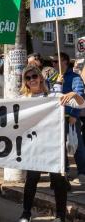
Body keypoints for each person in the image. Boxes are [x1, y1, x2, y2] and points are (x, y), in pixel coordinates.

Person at [18, 65, 68, 222]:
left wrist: (72, 94)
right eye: (28, 78)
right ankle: (26, 213)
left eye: (34, 76)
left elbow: (81, 104)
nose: (32, 80)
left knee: (59, 182)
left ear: (40, 77)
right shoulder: (22, 100)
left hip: (53, 147)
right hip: (34, 148)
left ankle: (61, 216)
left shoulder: (54, 96)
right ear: (25, 82)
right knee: (31, 181)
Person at [52, 52, 85, 185]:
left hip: (70, 118)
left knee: (77, 145)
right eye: (53, 62)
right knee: (59, 147)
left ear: (65, 61)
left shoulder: (75, 77)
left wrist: (74, 115)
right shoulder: (54, 77)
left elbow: (80, 95)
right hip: (56, 118)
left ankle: (82, 172)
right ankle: (63, 172)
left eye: (56, 61)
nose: (53, 64)